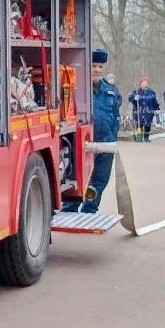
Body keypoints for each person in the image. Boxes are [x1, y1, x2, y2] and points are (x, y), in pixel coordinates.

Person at [62, 49, 121, 214]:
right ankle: (70, 210)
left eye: (100, 66)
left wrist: (112, 136)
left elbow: (116, 116)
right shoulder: (78, 89)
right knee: (77, 178)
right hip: (83, 144)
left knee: (99, 180)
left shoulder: (111, 91)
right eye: (93, 65)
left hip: (104, 143)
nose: (97, 70)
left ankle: (90, 210)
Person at [128, 77, 160, 142]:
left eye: (146, 83)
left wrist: (157, 108)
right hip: (138, 112)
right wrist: (134, 98)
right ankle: (138, 137)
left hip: (149, 112)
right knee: (139, 125)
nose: (145, 85)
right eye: (143, 83)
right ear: (140, 84)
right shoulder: (136, 92)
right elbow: (130, 99)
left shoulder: (152, 92)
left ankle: (146, 138)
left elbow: (154, 101)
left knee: (147, 125)